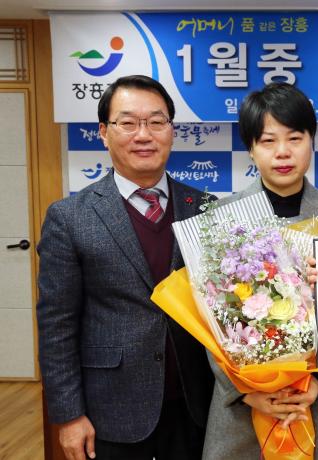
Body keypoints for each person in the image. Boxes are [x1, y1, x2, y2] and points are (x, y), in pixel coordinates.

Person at [36, 75, 214, 460]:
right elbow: (56, 326)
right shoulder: (70, 217)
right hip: (111, 412)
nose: (143, 135)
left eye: (156, 122)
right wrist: (69, 416)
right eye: (128, 123)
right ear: (104, 132)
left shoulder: (206, 208)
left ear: (172, 130)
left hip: (197, 408)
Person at [202, 82, 318, 459]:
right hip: (247, 408)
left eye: (295, 138)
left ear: (311, 140)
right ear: (251, 148)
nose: (282, 152)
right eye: (268, 141)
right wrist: (246, 391)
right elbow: (207, 320)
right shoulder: (224, 216)